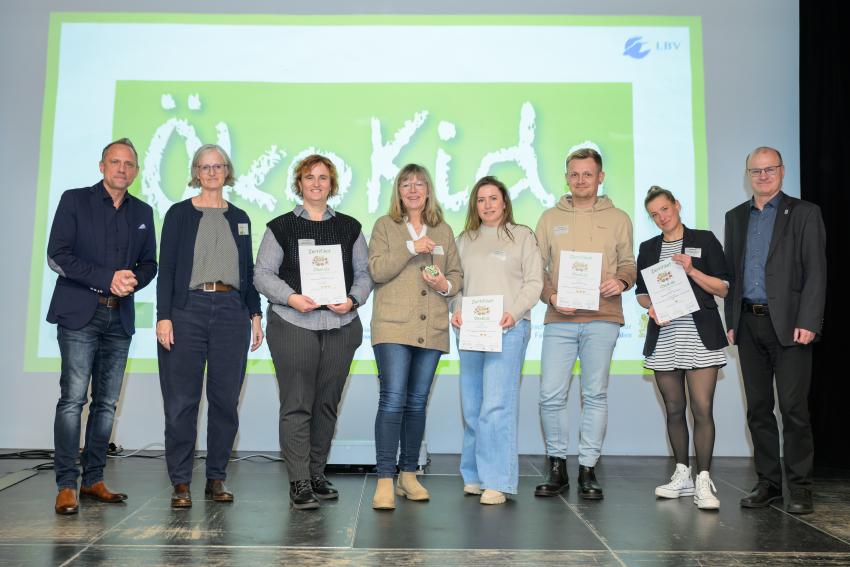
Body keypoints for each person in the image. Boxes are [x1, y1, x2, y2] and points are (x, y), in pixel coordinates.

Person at [254, 154, 372, 510]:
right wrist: (291, 297)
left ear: (331, 184)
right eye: (309, 177)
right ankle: (299, 480)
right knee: (297, 403)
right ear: (299, 184)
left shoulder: (350, 227)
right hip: (293, 324)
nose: (316, 183)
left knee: (326, 404)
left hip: (340, 326)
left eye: (323, 177)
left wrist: (352, 300)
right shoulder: (280, 227)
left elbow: (365, 274)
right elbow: (262, 274)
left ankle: (317, 473)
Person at [47, 138, 157, 515]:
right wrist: (106, 278)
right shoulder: (74, 200)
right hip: (80, 313)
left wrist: (132, 282)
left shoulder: (142, 211)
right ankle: (66, 484)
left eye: (129, 164)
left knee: (106, 404)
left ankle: (93, 479)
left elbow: (150, 264)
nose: (121, 169)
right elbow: (57, 255)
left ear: (136, 171)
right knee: (73, 400)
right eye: (115, 162)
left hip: (119, 316)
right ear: (102, 166)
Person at [156, 144, 264, 509]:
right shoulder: (178, 214)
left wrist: (255, 314)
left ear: (227, 171)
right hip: (187, 310)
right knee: (181, 402)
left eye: (218, 166)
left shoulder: (241, 218)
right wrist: (163, 316)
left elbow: (248, 271)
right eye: (205, 167)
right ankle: (181, 482)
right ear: (196, 173)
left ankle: (216, 478)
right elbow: (167, 269)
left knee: (225, 402)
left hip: (232, 312)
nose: (212, 172)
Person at [724, 146, 826, 515]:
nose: (763, 176)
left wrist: (809, 321)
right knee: (758, 409)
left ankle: (800, 487)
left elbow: (816, 270)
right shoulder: (735, 217)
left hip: (791, 326)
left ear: (782, 172)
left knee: (793, 409)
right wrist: (731, 321)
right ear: (748, 175)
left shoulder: (805, 212)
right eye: (756, 171)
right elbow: (732, 274)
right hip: (747, 324)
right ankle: (768, 483)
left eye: (770, 169)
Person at [534, 147, 636, 500]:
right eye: (574, 174)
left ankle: (588, 469)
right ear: (567, 178)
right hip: (559, 318)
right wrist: (551, 296)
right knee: (550, 394)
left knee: (595, 394)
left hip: (603, 317)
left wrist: (621, 281)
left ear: (600, 177)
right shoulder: (549, 218)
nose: (581, 180)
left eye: (588, 174)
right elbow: (537, 270)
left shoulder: (619, 218)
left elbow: (629, 264)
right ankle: (557, 466)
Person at [368, 164, 463, 510]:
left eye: (419, 184)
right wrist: (411, 247)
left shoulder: (444, 229)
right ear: (398, 191)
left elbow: (456, 275)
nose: (412, 189)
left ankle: (408, 474)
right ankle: (384, 478)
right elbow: (376, 270)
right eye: (406, 184)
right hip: (393, 326)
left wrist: (445, 284)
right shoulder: (385, 226)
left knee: (417, 402)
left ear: (428, 191)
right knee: (392, 400)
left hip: (431, 327)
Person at [635, 186, 729, 510]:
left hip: (700, 335)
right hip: (665, 337)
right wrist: (651, 307)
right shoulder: (648, 248)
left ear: (677, 205)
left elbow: (723, 287)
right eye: (654, 214)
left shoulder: (704, 240)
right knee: (674, 410)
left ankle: (704, 479)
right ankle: (682, 473)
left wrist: (691, 270)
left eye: (665, 209)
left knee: (701, 409)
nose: (661, 217)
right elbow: (641, 292)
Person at [450, 176, 542, 505]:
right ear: (474, 205)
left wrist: (514, 313)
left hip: (509, 329)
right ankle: (474, 475)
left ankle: (498, 481)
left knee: (496, 406)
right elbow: (455, 284)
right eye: (481, 199)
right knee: (473, 407)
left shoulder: (522, 236)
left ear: (504, 203)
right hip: (471, 331)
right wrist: (456, 309)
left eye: (493, 198)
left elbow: (534, 282)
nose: (487, 205)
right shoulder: (463, 240)